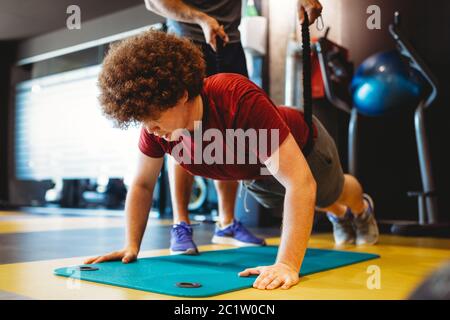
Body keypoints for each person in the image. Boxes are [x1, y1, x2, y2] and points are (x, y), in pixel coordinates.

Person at [85, 29, 378, 290]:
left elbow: (300, 182)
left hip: (306, 148)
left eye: (152, 117)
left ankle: (361, 209)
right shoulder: (158, 132)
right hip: (259, 174)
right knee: (314, 203)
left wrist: (286, 265)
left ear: (180, 96)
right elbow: (142, 185)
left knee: (330, 191)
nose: (149, 128)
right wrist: (131, 245)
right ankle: (339, 214)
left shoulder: (234, 96)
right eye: (141, 120)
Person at [143, 0, 324, 255]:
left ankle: (226, 223)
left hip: (230, 39)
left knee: (229, 131)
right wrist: (200, 18)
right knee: (181, 130)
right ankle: (181, 223)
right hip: (188, 37)